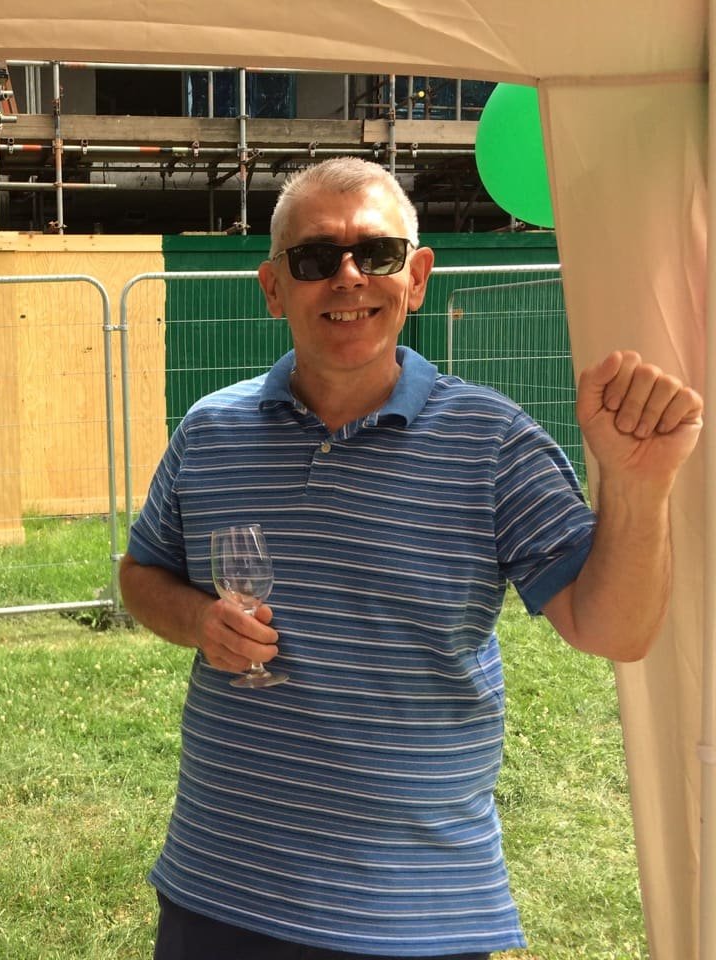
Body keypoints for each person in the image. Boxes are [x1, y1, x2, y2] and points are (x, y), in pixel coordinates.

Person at [120, 156, 703, 959]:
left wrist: (638, 489)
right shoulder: (210, 432)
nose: (349, 277)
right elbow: (141, 573)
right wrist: (197, 621)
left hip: (416, 915)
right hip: (221, 894)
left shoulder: (494, 442)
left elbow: (615, 630)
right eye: (315, 259)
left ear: (417, 277)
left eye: (377, 253)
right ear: (273, 288)